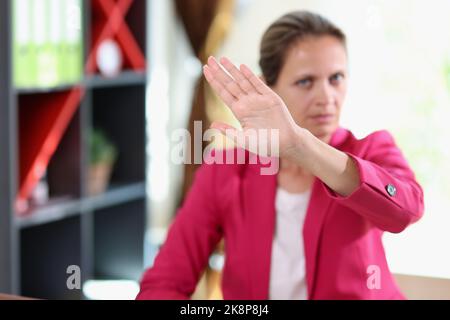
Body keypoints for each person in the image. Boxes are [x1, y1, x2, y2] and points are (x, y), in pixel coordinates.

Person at [136, 10, 424, 300]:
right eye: (305, 82)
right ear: (266, 88)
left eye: (336, 78)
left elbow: (405, 211)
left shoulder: (370, 150)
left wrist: (300, 145)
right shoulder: (226, 170)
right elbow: (165, 281)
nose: (327, 97)